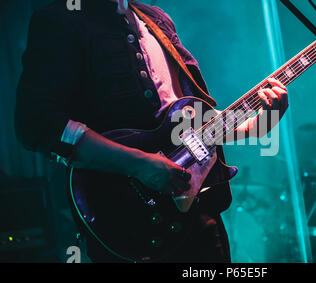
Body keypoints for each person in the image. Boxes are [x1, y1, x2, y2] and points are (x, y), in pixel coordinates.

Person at [15, 0, 288, 262]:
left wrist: (258, 124)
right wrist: (140, 165)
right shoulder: (61, 20)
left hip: (199, 217)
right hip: (124, 219)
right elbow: (39, 124)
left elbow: (188, 123)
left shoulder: (156, 20)